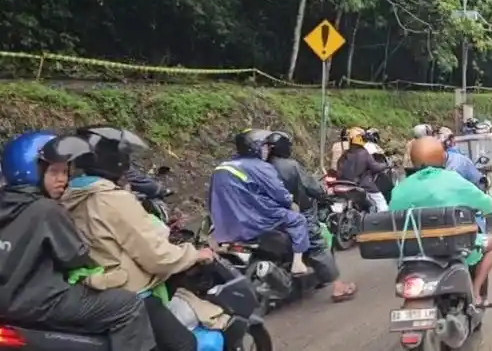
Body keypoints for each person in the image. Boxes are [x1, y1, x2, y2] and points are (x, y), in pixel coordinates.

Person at [57, 126, 210, 351]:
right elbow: (157, 256)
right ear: (114, 159)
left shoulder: (69, 196)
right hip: (130, 293)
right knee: (185, 345)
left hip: (93, 290)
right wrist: (195, 254)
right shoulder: (113, 200)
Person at [0, 132, 155, 351]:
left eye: (65, 171)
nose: (62, 179)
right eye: (53, 171)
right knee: (129, 306)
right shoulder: (47, 209)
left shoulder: (6, 201)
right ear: (30, 170)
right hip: (40, 301)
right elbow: (76, 257)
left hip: (10, 302)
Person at [389, 137, 492, 308]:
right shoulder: (453, 180)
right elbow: (489, 206)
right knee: (491, 243)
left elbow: (392, 216)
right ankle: (476, 293)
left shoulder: (401, 188)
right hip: (452, 247)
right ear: (442, 156)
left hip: (412, 250)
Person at [265, 131, 357, 302]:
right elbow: (311, 186)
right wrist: (322, 193)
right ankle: (338, 288)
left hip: (268, 216)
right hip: (298, 211)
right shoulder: (290, 166)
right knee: (318, 246)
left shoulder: (260, 167)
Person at [208, 129, 310, 275]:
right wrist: (290, 202)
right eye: (265, 146)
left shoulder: (222, 166)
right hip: (254, 220)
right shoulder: (261, 167)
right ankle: (297, 264)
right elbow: (280, 195)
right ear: (255, 147)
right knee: (298, 220)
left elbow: (211, 197)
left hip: (224, 223)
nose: (267, 150)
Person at [337, 126, 390, 212]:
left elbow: (339, 170)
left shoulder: (344, 154)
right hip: (363, 186)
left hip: (345, 185)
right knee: (382, 204)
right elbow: (375, 167)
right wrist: (385, 165)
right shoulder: (363, 153)